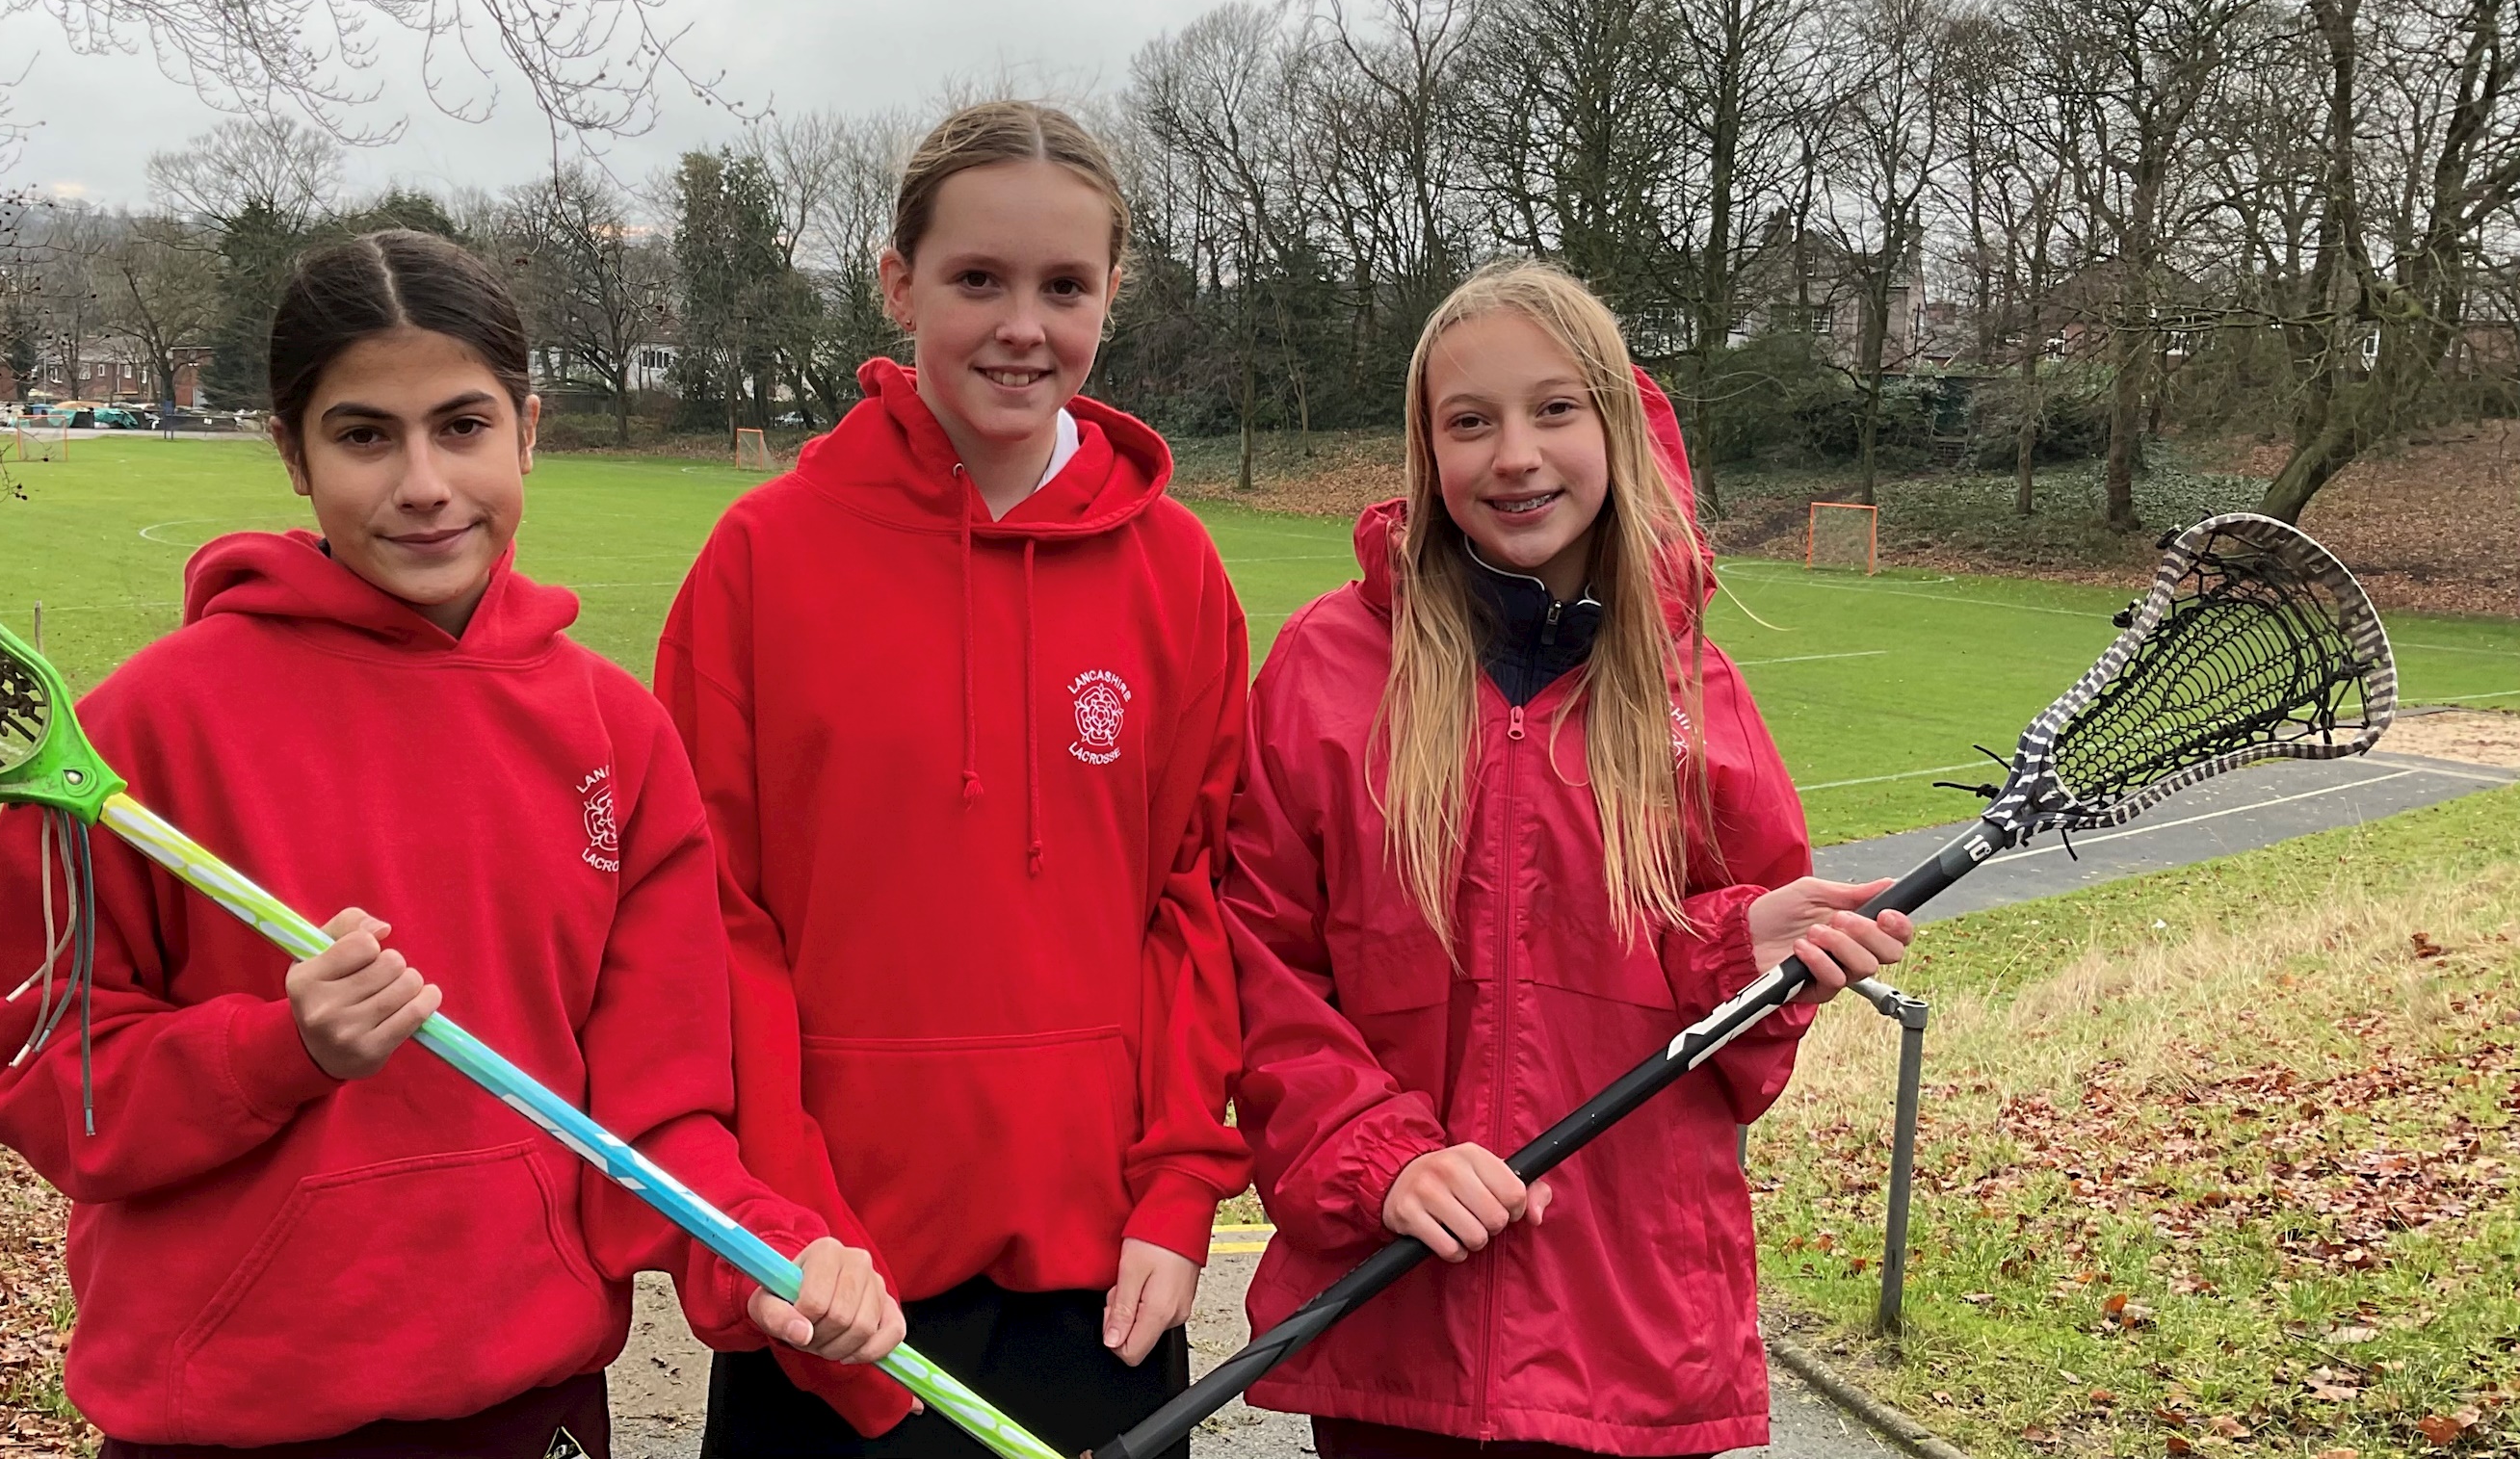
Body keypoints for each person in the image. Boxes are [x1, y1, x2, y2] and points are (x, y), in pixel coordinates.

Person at [0, 229, 898, 1458]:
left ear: (527, 430)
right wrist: (279, 1050)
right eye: (364, 435)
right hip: (235, 1422)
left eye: (462, 425)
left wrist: (763, 1255)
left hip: (532, 1408)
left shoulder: (618, 734)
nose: (425, 483)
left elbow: (655, 1120)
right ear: (291, 452)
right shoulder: (148, 731)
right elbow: (26, 1059)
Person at [1222, 260, 1913, 1458]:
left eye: (1555, 409)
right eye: (1469, 420)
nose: (1515, 455)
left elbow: (1739, 1043)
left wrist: (1737, 958)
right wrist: (1377, 1158)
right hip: (1400, 1318)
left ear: (1614, 421)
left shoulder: (1694, 687)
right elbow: (1257, 964)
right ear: (1425, 449)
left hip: (1628, 1334)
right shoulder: (1328, 670)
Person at [655, 101, 1252, 1457]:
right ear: (897, 281)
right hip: (835, 1274)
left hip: (1097, 1274)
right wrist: (785, 1223)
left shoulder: (1179, 576)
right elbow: (713, 926)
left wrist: (1174, 1194)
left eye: (1065, 286)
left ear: (1112, 294)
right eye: (978, 278)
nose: (1021, 325)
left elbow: (1192, 906)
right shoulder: (762, 560)